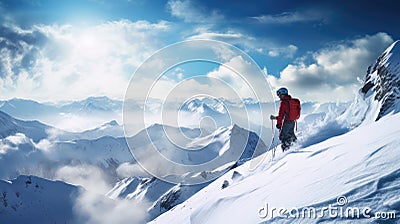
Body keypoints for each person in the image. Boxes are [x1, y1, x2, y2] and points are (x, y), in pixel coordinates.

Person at [270, 87, 297, 151]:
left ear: (283, 94)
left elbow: (281, 115)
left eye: (279, 94)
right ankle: (297, 145)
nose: (278, 96)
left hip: (286, 123)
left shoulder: (283, 102)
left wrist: (279, 124)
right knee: (291, 135)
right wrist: (275, 118)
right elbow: (286, 114)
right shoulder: (290, 101)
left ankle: (287, 153)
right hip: (292, 122)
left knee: (282, 137)